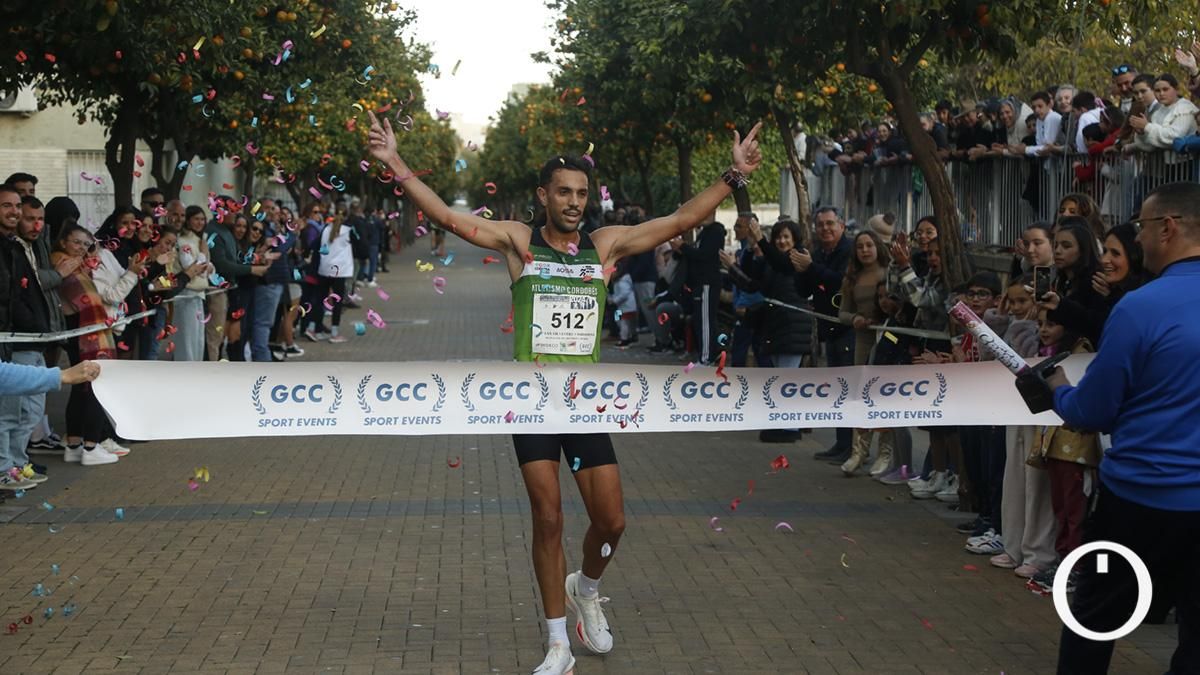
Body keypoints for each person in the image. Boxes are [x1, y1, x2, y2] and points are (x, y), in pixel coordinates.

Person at [367, 110, 763, 674]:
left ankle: (587, 587)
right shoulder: (518, 243)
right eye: (563, 192)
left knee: (612, 522)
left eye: (580, 192)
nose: (574, 201)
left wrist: (734, 175)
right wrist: (396, 164)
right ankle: (558, 643)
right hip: (529, 403)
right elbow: (449, 218)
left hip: (583, 402)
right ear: (544, 196)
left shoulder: (604, 247)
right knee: (548, 518)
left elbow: (678, 220)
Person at [1047, 182, 1200, 674]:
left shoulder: (1139, 308)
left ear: (1168, 228)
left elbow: (1092, 411)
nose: (1138, 239)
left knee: (1093, 624)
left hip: (1139, 499)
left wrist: (1055, 390)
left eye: (1141, 227)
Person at [725, 218, 814, 443]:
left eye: (786, 237)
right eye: (778, 237)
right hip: (775, 325)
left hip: (792, 325)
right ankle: (783, 423)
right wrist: (732, 268)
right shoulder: (771, 262)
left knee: (788, 377)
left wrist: (761, 240)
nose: (782, 241)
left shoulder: (798, 257)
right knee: (780, 376)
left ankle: (791, 428)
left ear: (795, 240)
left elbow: (782, 263)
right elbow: (754, 285)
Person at [51, 224, 128, 466]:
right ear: (63, 242)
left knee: (80, 387)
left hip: (79, 333)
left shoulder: (71, 265)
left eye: (86, 244)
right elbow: (87, 303)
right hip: (86, 335)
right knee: (95, 385)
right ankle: (91, 446)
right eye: (77, 242)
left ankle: (74, 445)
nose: (82, 248)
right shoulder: (65, 266)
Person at [797, 207, 854, 462]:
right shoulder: (817, 253)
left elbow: (839, 281)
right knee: (838, 390)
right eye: (820, 225)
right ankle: (842, 443)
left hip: (849, 328)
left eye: (830, 224)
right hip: (827, 329)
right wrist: (803, 269)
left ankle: (853, 446)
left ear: (841, 225)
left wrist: (812, 268)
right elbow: (805, 289)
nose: (825, 229)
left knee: (850, 388)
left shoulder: (849, 251)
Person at [836, 225, 891, 475]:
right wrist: (854, 319)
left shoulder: (889, 273)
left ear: (878, 247)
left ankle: (885, 453)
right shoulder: (851, 278)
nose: (865, 250)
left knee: (883, 396)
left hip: (888, 339)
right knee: (860, 395)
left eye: (869, 245)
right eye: (860, 247)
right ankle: (859, 451)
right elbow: (842, 313)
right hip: (862, 340)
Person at [721, 212, 771, 368]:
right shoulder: (744, 251)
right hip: (743, 307)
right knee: (743, 350)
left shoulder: (759, 251)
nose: (735, 229)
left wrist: (732, 267)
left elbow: (750, 282)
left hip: (752, 308)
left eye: (739, 226)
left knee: (751, 351)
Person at [174, 206, 212, 362]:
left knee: (198, 341)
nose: (199, 222)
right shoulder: (182, 241)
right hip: (186, 295)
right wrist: (202, 257)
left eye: (202, 219)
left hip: (199, 294)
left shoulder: (199, 240)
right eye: (196, 219)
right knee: (186, 341)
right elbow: (191, 267)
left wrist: (204, 266)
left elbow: (209, 268)